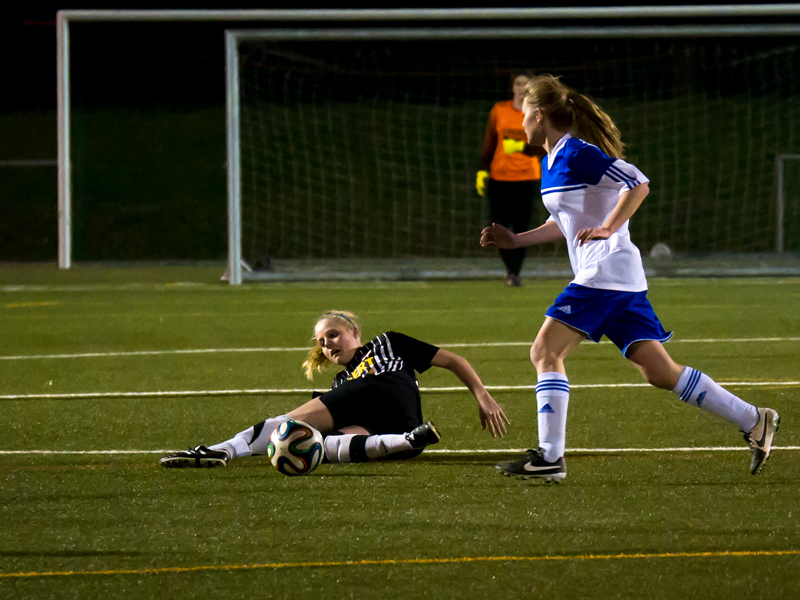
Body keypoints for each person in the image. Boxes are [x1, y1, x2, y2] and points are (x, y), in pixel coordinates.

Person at [480, 74, 779, 482]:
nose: (521, 124)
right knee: (660, 372)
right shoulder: (552, 161)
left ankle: (550, 457)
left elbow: (637, 184)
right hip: (618, 278)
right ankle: (754, 418)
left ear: (539, 115)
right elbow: (563, 221)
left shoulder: (578, 153)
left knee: (545, 352)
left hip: (605, 271)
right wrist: (516, 240)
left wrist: (607, 227)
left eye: (524, 117)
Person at [160, 311, 509, 468]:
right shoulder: (341, 382)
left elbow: (453, 360)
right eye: (322, 342)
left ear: (355, 331)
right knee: (326, 447)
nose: (328, 344)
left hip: (380, 389)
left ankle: (222, 450)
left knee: (285, 427)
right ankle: (410, 440)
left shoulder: (387, 343)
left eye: (333, 334)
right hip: (401, 420)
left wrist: (483, 395)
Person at [477, 71, 544, 287]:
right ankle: (509, 269)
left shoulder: (536, 113)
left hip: (527, 177)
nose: (521, 87)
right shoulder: (499, 110)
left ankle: (515, 272)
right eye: (518, 83)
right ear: (512, 87)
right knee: (500, 227)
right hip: (500, 177)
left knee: (522, 228)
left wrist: (522, 148)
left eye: (526, 83)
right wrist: (482, 169)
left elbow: (543, 146)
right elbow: (491, 140)